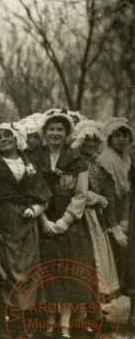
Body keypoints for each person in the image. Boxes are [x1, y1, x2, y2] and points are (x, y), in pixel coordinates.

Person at [33, 110, 95, 339]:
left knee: (68, 274)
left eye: (60, 129)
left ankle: (65, 327)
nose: (55, 133)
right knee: (49, 274)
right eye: (52, 129)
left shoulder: (78, 161)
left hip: (70, 227)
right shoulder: (36, 159)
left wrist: (63, 222)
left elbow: (80, 196)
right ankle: (49, 323)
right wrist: (45, 222)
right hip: (43, 222)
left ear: (67, 133)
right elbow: (33, 191)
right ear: (45, 133)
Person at [0, 123, 51, 338]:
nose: (3, 140)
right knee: (8, 269)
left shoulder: (29, 162)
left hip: (27, 220)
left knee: (29, 268)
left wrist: (35, 208)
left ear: (17, 139)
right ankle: (8, 322)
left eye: (7, 136)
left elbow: (43, 192)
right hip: (3, 218)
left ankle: (25, 320)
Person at [72, 121, 121, 301]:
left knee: (98, 257)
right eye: (87, 141)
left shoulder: (97, 166)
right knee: (88, 258)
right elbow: (75, 191)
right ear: (80, 142)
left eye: (95, 141)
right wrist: (97, 198)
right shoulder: (76, 163)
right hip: (82, 215)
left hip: (95, 217)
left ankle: (96, 309)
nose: (91, 145)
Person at [98, 117, 131, 289]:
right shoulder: (105, 160)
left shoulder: (127, 160)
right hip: (107, 215)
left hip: (123, 215)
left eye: (125, 135)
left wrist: (125, 220)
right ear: (110, 139)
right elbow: (109, 196)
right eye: (116, 135)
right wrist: (116, 226)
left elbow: (127, 192)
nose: (121, 139)